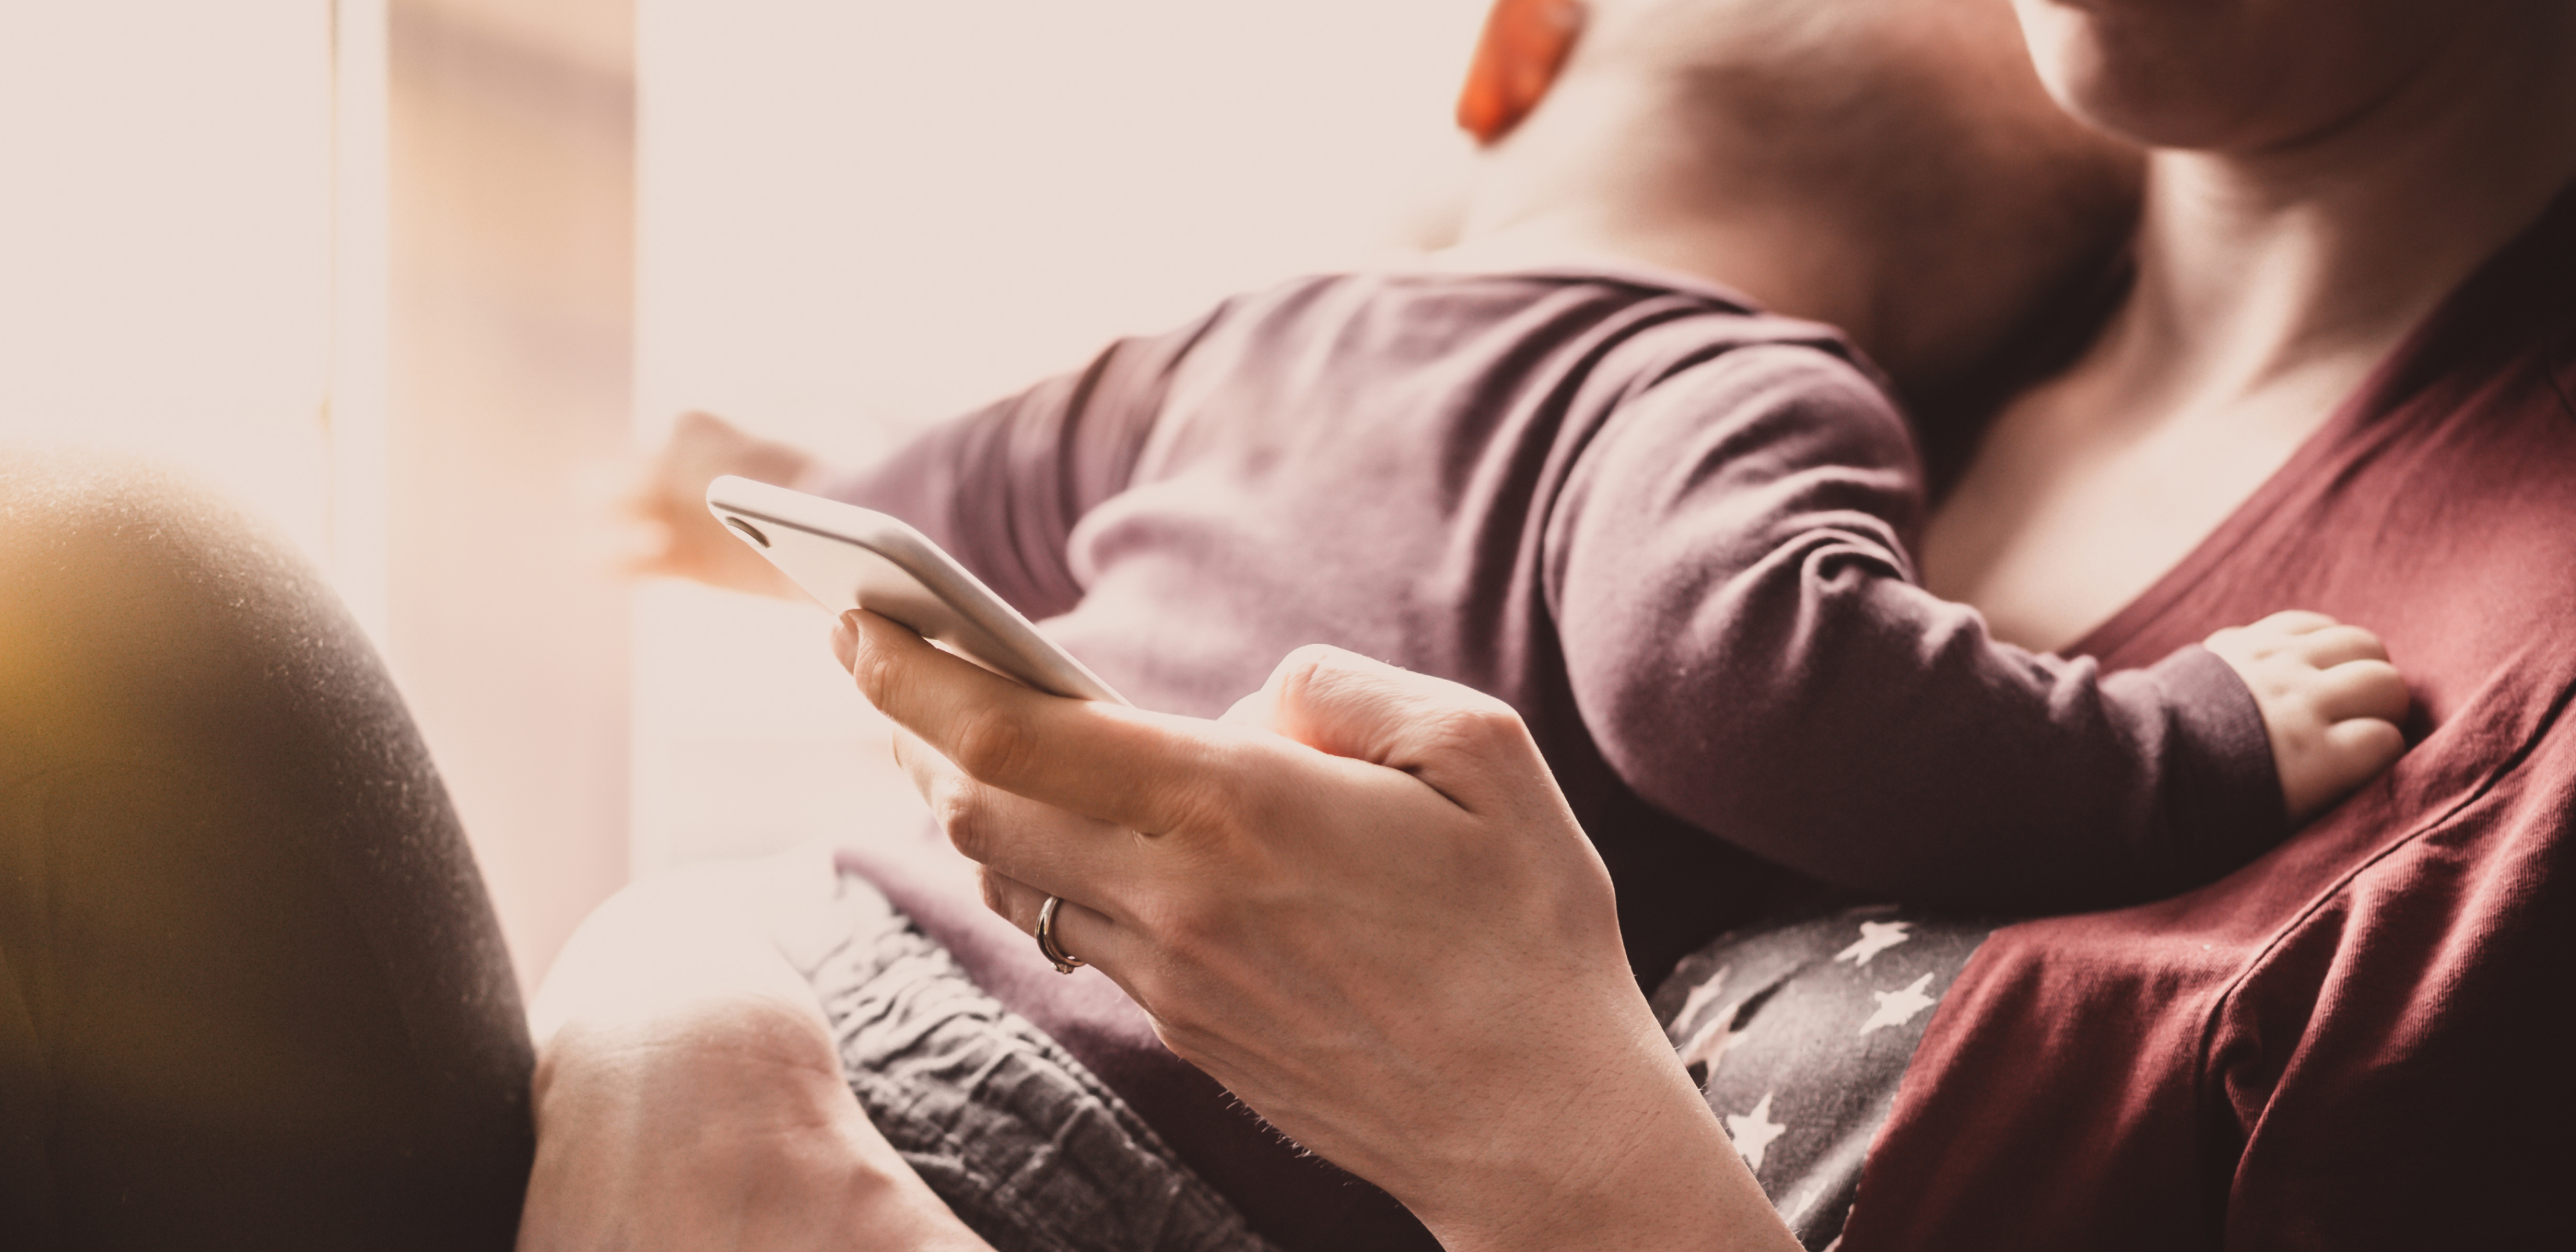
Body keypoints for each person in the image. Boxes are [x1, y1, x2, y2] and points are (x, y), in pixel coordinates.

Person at [601, 0, 2404, 1243]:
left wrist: (761, 485)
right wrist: (2188, 740)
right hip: (1145, 1147)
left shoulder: (1286, 321)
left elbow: (972, 487)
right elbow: (1743, 676)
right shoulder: (1727, 382)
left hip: (828, 963)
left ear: (1523, 45)